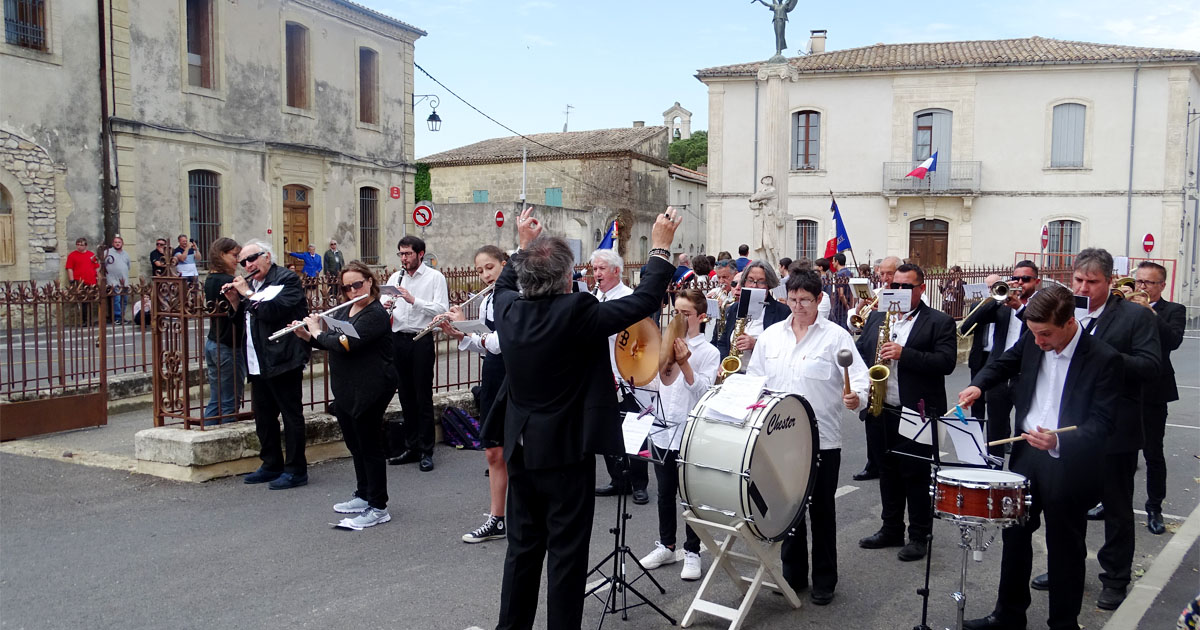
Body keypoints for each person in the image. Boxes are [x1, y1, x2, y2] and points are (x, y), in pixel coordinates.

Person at [486, 206, 681, 630]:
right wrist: (661, 246)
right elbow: (645, 300)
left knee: (522, 550)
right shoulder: (577, 310)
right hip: (567, 451)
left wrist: (523, 244)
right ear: (563, 278)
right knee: (566, 555)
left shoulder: (507, 311)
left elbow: (504, 282)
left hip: (520, 447)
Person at [957, 284, 1121, 630]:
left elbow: (1103, 424)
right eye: (1033, 334)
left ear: (1069, 322)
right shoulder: (1033, 340)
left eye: (1045, 334)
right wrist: (979, 385)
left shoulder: (1103, 358)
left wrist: (1058, 442)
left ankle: (1063, 623)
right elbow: (1003, 362)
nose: (1039, 342)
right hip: (1026, 455)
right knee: (1014, 537)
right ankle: (1008, 615)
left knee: (1065, 546)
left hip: (1067, 461)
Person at [1029, 248, 1160, 610]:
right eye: (1078, 280)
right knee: (1066, 507)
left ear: (1110, 281)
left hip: (1114, 428)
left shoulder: (1135, 316)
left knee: (1116, 508)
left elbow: (1151, 366)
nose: (1084, 287)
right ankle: (1064, 570)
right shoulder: (1067, 312)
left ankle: (1115, 578)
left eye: (1092, 282)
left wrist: (1097, 351)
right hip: (1068, 429)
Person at [747, 270, 869, 606]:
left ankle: (825, 580)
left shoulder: (836, 337)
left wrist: (856, 398)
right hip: (778, 439)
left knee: (821, 511)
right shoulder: (772, 336)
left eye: (806, 300)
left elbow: (859, 380)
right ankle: (794, 574)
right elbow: (755, 379)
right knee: (788, 509)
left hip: (821, 440)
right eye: (793, 299)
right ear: (785, 297)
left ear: (819, 300)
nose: (798, 306)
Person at [855, 263, 957, 562]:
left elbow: (946, 362)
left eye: (905, 287)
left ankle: (919, 535)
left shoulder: (939, 321)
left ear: (921, 289)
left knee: (916, 474)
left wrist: (904, 354)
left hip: (918, 410)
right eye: (894, 286)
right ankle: (891, 528)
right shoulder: (876, 318)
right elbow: (862, 355)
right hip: (881, 407)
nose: (897, 292)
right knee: (887, 471)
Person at [293, 261, 397, 529]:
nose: (352, 291)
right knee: (354, 443)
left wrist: (318, 331)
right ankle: (363, 494)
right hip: (348, 387)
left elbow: (347, 343)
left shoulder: (376, 314)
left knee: (369, 445)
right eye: (347, 287)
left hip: (372, 387)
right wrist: (308, 336)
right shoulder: (347, 310)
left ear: (370, 282)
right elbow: (335, 343)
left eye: (357, 285)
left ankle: (378, 506)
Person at [638, 288, 719, 581]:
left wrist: (685, 363)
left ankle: (693, 550)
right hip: (662, 430)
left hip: (690, 432)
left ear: (701, 316)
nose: (680, 319)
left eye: (685, 314)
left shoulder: (709, 351)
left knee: (690, 496)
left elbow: (705, 392)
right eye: (676, 313)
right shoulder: (663, 343)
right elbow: (653, 387)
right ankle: (666, 545)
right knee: (664, 492)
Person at [223, 239, 311, 490]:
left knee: (291, 414)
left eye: (253, 258)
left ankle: (296, 470)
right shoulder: (251, 285)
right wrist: (234, 301)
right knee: (263, 415)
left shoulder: (286, 279)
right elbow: (243, 321)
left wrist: (247, 294)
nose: (248, 265)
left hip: (283, 357)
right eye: (243, 262)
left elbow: (272, 311)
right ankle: (271, 463)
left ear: (268, 257)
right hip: (257, 360)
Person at [438, 245, 511, 543]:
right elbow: (485, 344)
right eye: (480, 270)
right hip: (493, 373)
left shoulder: (512, 297)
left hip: (514, 374)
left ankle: (524, 514)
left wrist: (468, 333)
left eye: (490, 267)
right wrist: (460, 334)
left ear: (505, 265)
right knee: (494, 450)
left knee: (519, 449)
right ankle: (497, 518)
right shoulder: (488, 300)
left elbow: (502, 342)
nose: (484, 275)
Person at [957, 261, 1043, 456]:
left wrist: (1020, 308)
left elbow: (1038, 328)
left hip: (1025, 375)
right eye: (1016, 278)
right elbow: (969, 324)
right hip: (1000, 373)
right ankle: (993, 475)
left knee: (1026, 428)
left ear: (1036, 281)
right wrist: (995, 299)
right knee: (995, 432)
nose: (1020, 283)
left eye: (1026, 279)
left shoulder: (1041, 304)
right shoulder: (1002, 306)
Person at [589, 247, 651, 505]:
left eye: (602, 269)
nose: (597, 274)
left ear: (617, 271)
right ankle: (618, 479)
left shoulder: (628, 298)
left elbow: (643, 339)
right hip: (601, 373)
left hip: (626, 375)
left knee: (634, 429)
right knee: (608, 429)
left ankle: (639, 483)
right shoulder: (593, 297)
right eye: (594, 269)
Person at [383, 235, 449, 472]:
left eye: (408, 254)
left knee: (422, 396)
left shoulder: (434, 278)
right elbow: (385, 300)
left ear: (420, 254)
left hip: (421, 339)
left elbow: (442, 309)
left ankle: (425, 450)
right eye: (400, 254)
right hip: (398, 339)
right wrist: (386, 305)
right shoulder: (395, 276)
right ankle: (411, 446)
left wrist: (413, 300)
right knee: (406, 396)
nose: (404, 258)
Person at [1132, 261, 1185, 535]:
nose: (1141, 287)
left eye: (1148, 283)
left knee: (1153, 454)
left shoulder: (1174, 310)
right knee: (1118, 452)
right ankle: (1109, 501)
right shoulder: (1124, 306)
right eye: (1139, 281)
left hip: (1154, 392)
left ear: (1161, 286)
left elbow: (1173, 340)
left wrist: (1149, 312)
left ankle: (1154, 508)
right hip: (1124, 389)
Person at [848, 255, 901, 481]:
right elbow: (860, 330)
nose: (886, 279)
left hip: (896, 377)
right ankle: (874, 463)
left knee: (894, 429)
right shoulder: (878, 298)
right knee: (872, 420)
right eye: (882, 274)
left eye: (890, 274)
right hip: (873, 369)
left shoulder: (906, 299)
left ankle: (891, 466)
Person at [202, 238, 247, 424]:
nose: (237, 261)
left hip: (213, 342)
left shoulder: (210, 279)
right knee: (229, 402)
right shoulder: (229, 282)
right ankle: (225, 440)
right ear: (222, 255)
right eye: (234, 256)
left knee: (216, 399)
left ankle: (207, 435)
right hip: (229, 345)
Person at [713, 261, 789, 367]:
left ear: (769, 284)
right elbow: (723, 342)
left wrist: (755, 344)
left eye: (761, 282)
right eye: (751, 280)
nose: (754, 286)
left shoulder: (782, 312)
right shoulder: (735, 308)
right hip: (734, 375)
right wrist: (722, 364)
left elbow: (785, 348)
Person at [65, 237, 99, 326]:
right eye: (78, 244)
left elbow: (96, 268)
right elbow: (70, 268)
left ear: (86, 246)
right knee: (83, 301)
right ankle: (85, 320)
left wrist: (98, 279)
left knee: (90, 301)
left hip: (91, 281)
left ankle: (90, 319)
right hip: (80, 281)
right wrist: (72, 281)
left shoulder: (91, 255)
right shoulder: (72, 255)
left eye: (82, 245)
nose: (79, 247)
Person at [104, 236, 131, 324]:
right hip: (113, 281)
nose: (117, 243)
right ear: (113, 244)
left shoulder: (126, 254)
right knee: (117, 300)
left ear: (122, 244)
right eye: (116, 242)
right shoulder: (107, 252)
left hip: (124, 281)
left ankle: (122, 317)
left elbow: (128, 266)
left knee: (124, 300)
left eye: (119, 242)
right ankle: (117, 317)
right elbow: (102, 265)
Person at [828, 253, 853, 330]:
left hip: (840, 306)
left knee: (840, 328)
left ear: (837, 261)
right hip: (849, 302)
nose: (832, 263)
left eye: (833, 261)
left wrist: (846, 305)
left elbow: (841, 294)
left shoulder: (839, 275)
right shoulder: (849, 273)